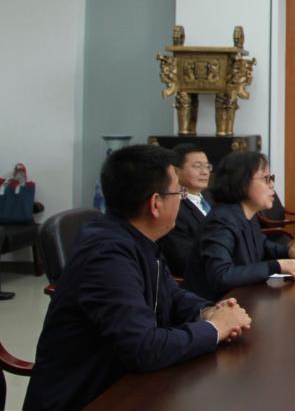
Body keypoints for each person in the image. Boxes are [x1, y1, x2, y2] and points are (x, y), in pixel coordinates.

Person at [24, 145, 252, 411]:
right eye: (178, 192)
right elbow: (143, 348)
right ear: (155, 204)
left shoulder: (137, 238)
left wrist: (209, 311)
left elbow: (171, 294)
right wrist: (215, 329)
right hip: (86, 399)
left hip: (126, 383)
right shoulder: (107, 256)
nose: (182, 199)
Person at [184, 151, 295, 300]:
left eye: (271, 178)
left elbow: (261, 245)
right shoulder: (220, 222)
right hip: (212, 307)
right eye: (265, 178)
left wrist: (288, 251)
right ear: (241, 183)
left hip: (241, 299)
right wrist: (276, 266)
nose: (272, 184)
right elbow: (222, 276)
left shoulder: (246, 213)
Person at [158, 143, 213, 276]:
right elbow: (184, 259)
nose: (205, 172)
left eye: (207, 166)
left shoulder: (211, 196)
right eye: (197, 166)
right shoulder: (173, 208)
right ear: (176, 171)